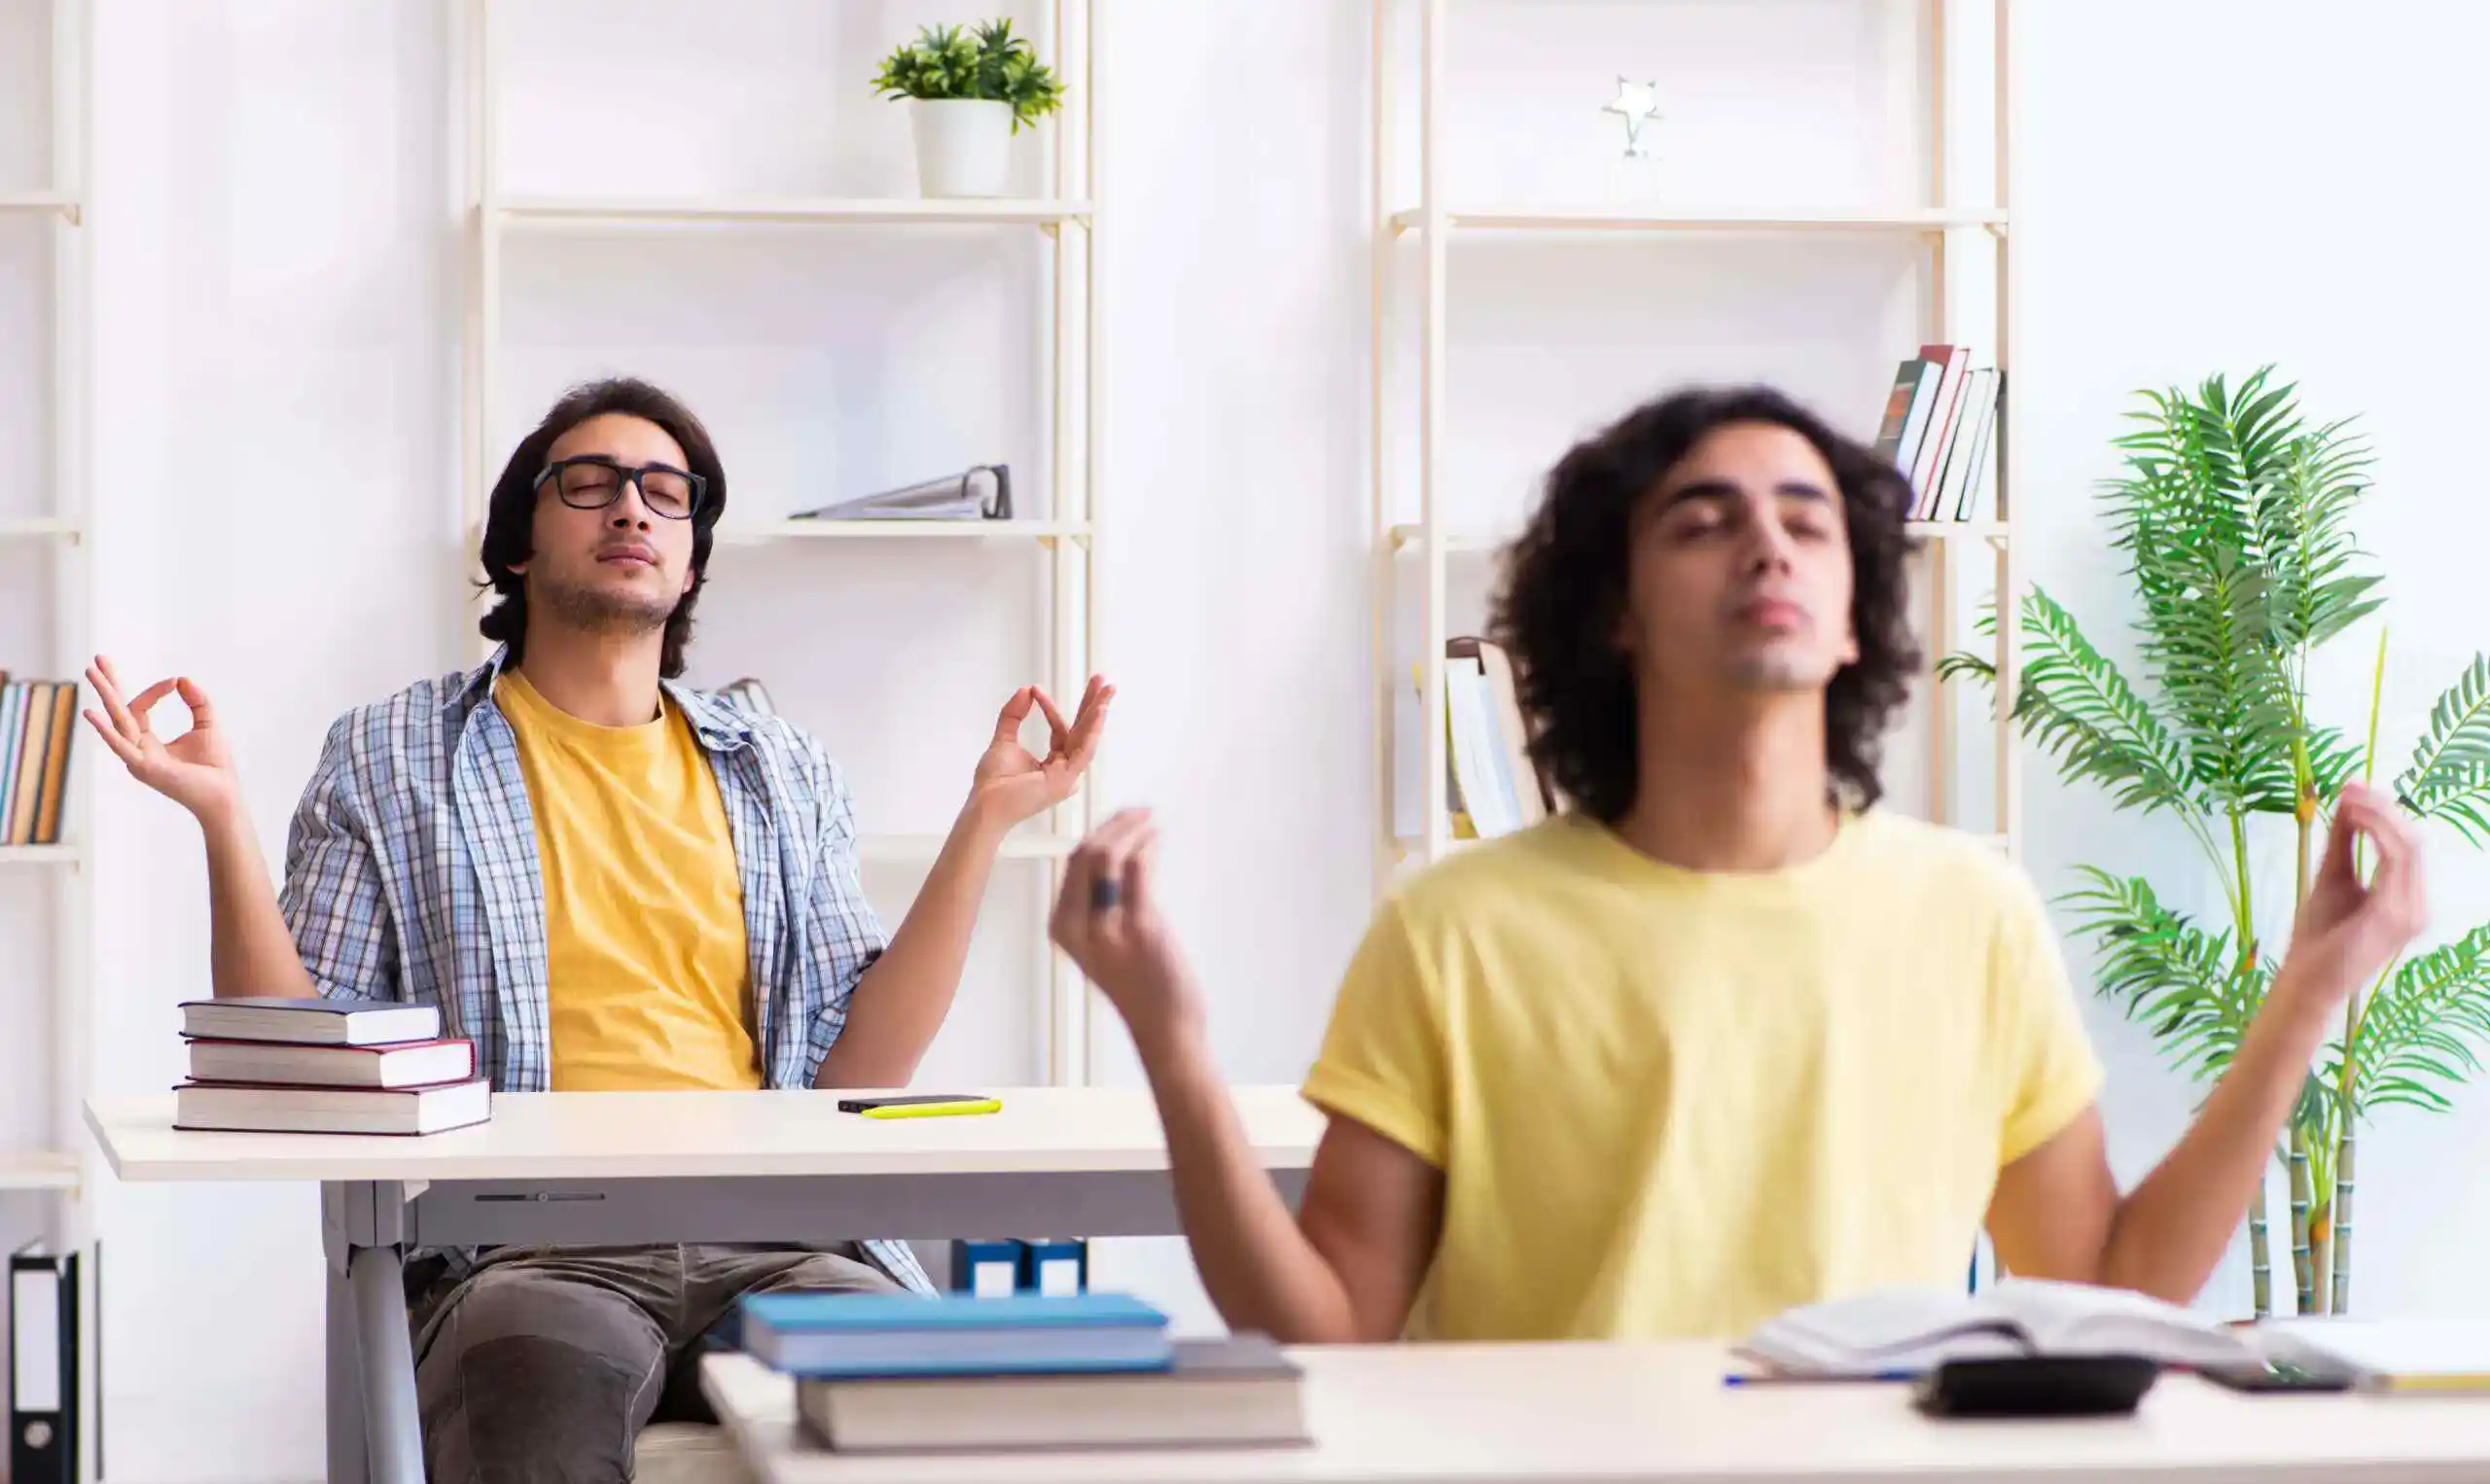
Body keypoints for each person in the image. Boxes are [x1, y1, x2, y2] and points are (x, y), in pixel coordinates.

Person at [1047, 384, 2426, 1346]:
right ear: (1619, 614)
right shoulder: (1456, 926)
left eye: (1807, 518)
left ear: (1848, 619)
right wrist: (1171, 1042)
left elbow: (2110, 1281)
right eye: (1702, 519)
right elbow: (1330, 1324)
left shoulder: (1971, 913)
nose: (1766, 539)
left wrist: (2310, 990)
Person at [84, 376, 1113, 1483]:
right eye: (591, 482)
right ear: (517, 543)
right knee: (528, 1404)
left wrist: (988, 816)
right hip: (527, 1251)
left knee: (912, 1430)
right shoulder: (392, 752)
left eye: (666, 493)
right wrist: (223, 818)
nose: (632, 508)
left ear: (689, 559)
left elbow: (855, 1071)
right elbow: (288, 1054)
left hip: (787, 1240)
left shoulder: (779, 765)